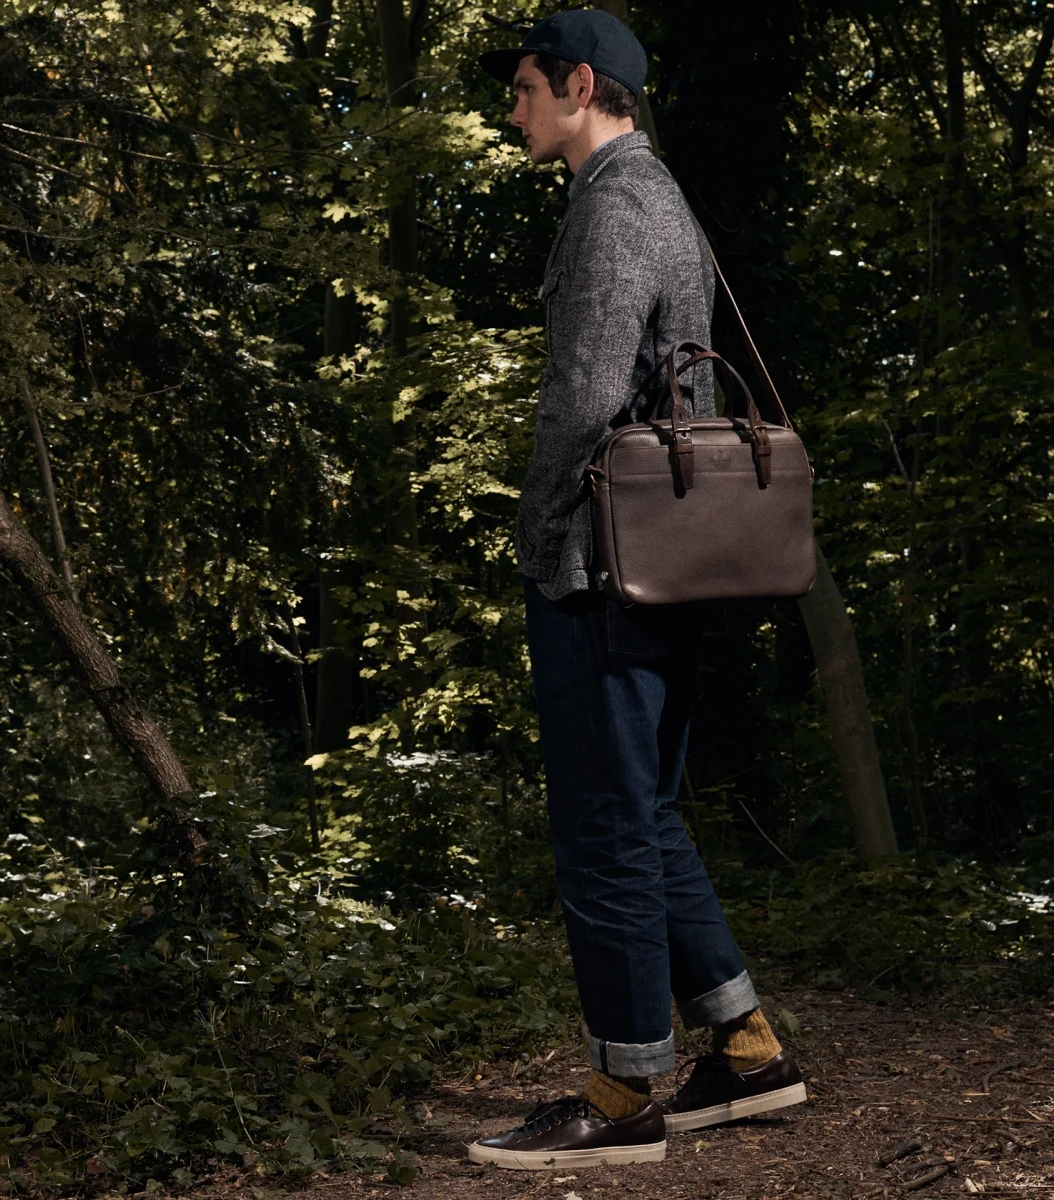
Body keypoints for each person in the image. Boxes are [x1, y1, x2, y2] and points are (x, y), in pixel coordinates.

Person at [467, 10, 807, 1171]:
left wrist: (535, 534)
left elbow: (584, 397)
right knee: (647, 809)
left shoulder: (614, 206)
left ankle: (623, 1095)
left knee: (605, 825)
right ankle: (748, 1051)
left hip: (601, 562)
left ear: (579, 85)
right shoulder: (660, 194)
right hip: (668, 556)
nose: (513, 108)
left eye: (523, 88)